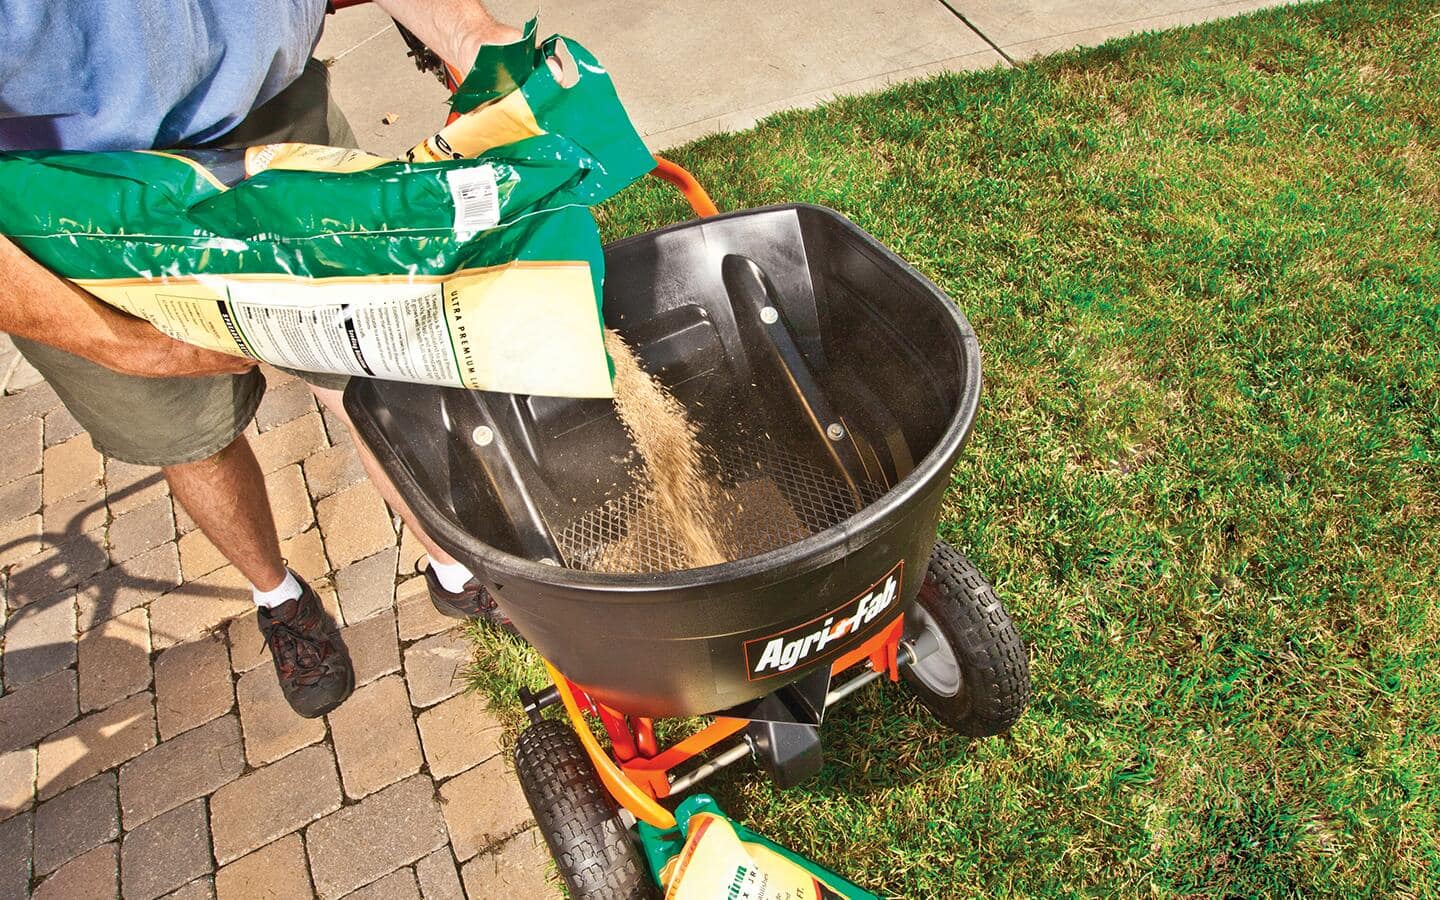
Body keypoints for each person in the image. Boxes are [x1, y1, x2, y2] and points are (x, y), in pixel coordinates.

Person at [0, 0, 516, 718]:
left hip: (268, 115)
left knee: (376, 375)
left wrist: (470, 33)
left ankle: (456, 566)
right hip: (71, 202)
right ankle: (278, 596)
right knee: (192, 435)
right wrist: (116, 340)